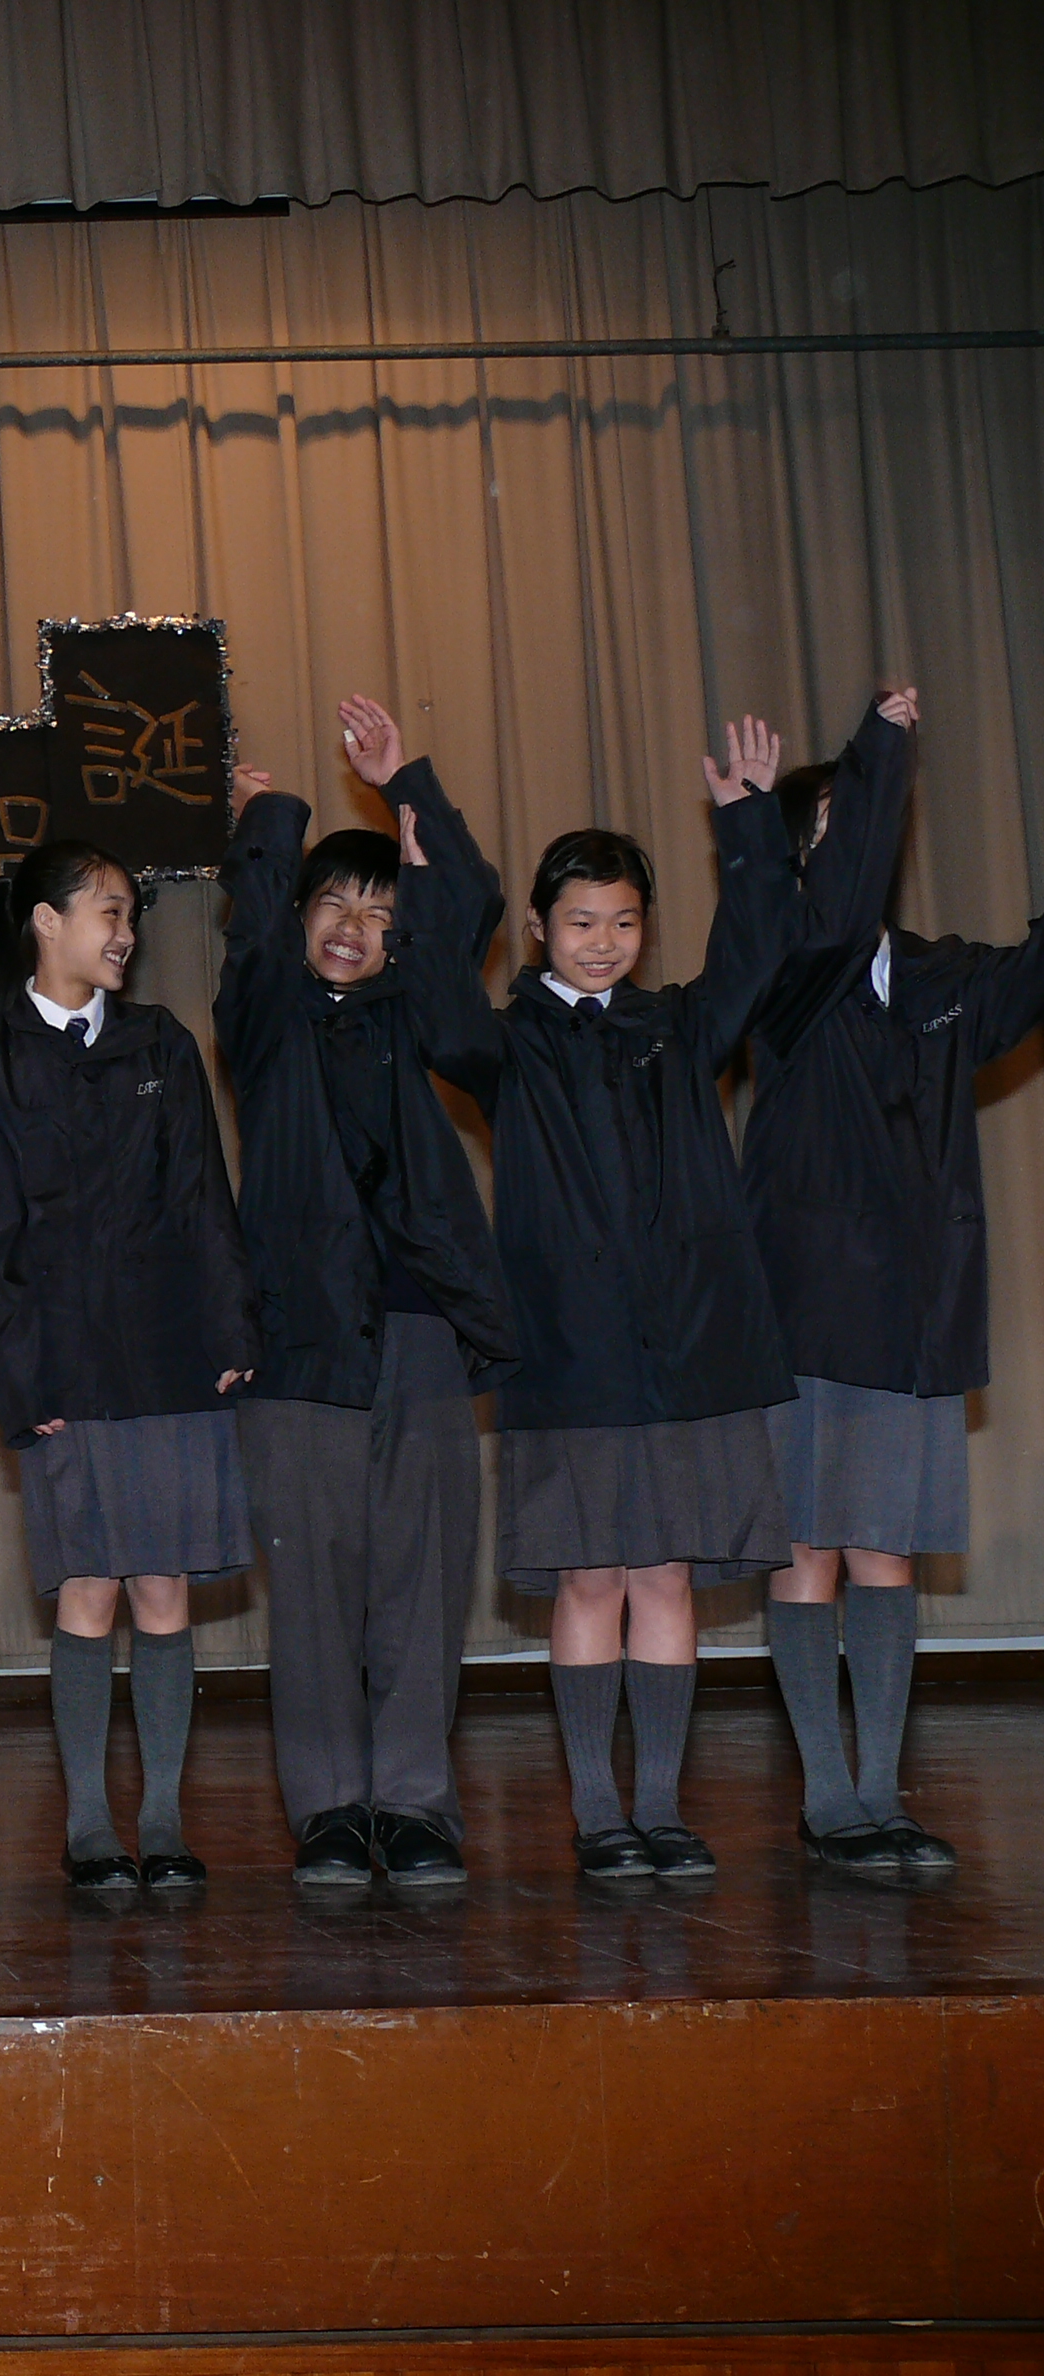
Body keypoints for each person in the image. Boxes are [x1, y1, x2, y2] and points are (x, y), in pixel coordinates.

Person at [393, 722, 801, 1882]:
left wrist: (749, 820)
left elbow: (758, 950)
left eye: (624, 922)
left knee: (665, 1574)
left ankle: (659, 1807)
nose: (604, 943)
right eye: (580, 922)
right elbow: (435, 1005)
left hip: (687, 1351)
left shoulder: (679, 1029)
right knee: (589, 1577)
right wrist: (419, 846)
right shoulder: (508, 1044)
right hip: (567, 1353)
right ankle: (596, 1813)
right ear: (538, 928)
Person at [215, 704, 517, 1891]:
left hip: (423, 1328)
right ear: (298, 920)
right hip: (297, 1339)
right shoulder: (266, 1020)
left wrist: (408, 789)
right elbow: (249, 940)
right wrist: (263, 826)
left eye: (381, 913)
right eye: (334, 905)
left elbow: (471, 907)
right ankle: (333, 1807)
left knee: (421, 1577)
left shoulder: (424, 1013)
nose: (355, 928)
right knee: (314, 1591)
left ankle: (416, 1803)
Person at [746, 686, 1034, 1872]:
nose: (853, 844)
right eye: (832, 826)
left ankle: (879, 1793)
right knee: (807, 1549)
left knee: (886, 1553)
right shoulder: (783, 967)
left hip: (915, 1315)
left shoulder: (941, 975)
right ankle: (826, 1793)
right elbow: (843, 883)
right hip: (809, 1307)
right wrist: (878, 750)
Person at [0, 840, 257, 1894]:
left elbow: (204, 1199)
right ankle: (89, 1824)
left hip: (170, 1357)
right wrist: (21, 1384)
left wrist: (231, 1337)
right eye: (107, 912)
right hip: (65, 1370)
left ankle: (162, 1819)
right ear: (46, 920)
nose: (125, 933)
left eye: (131, 915)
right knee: (87, 1590)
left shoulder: (161, 1042)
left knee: (163, 1589)